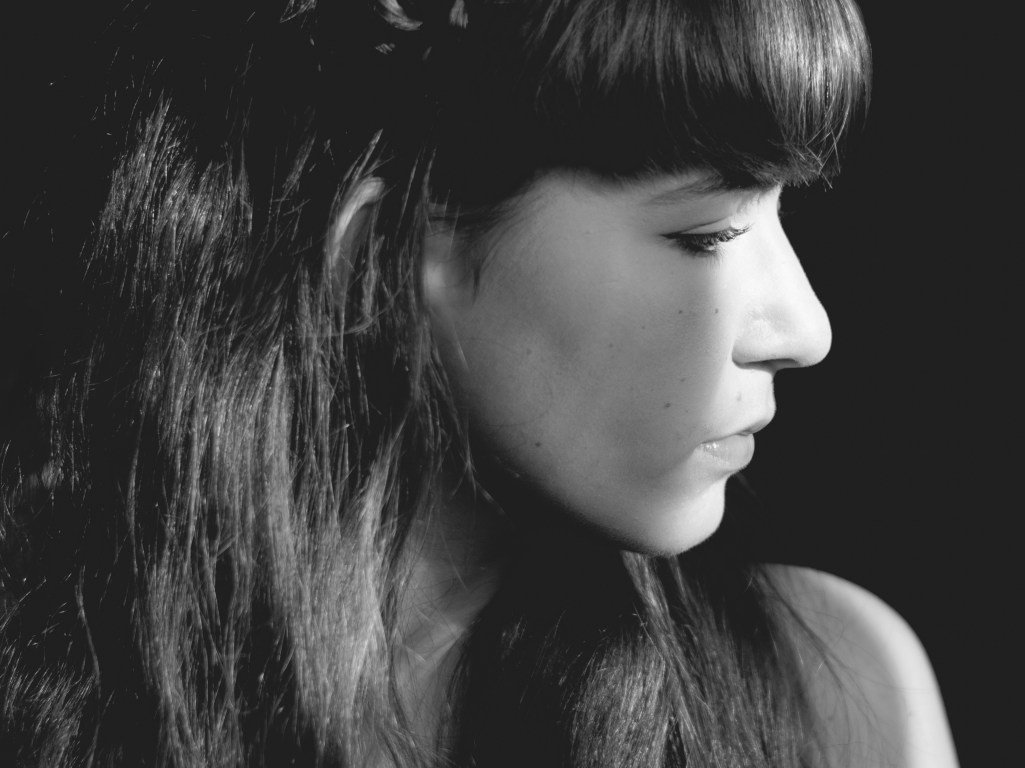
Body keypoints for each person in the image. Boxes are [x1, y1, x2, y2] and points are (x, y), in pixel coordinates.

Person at [0, 0, 957, 765]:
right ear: (385, 256)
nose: (807, 331)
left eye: (779, 213)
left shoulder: (833, 703)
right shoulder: (44, 694)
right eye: (706, 234)